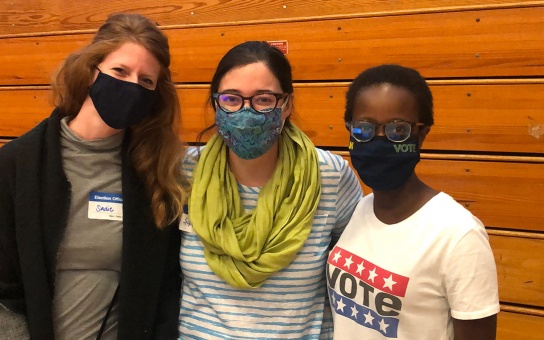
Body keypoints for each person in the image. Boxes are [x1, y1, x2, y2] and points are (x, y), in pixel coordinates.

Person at [0, 13, 186, 340]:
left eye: (146, 81)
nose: (131, 85)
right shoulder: (17, 165)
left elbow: (165, 289)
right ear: (90, 71)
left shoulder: (154, 174)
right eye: (120, 71)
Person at [177, 41, 363, 339]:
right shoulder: (186, 173)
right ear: (216, 103)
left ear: (287, 104)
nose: (246, 112)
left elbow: (357, 273)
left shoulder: (329, 175)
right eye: (231, 99)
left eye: (263, 99)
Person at [327, 64, 499, 339]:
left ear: (422, 134)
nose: (380, 139)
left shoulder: (458, 235)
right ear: (350, 130)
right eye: (364, 128)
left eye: (398, 130)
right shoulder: (359, 209)